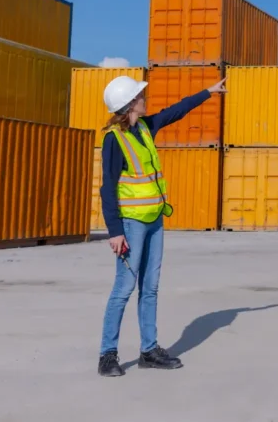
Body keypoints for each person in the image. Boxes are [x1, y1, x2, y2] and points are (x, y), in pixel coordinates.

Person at [96, 74, 227, 378]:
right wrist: (115, 231)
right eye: (140, 95)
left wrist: (208, 92)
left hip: (155, 219)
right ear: (130, 104)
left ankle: (149, 351)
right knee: (124, 288)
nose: (145, 98)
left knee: (151, 287)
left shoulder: (145, 127)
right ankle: (107, 355)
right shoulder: (114, 140)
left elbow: (175, 111)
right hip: (131, 225)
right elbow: (108, 188)